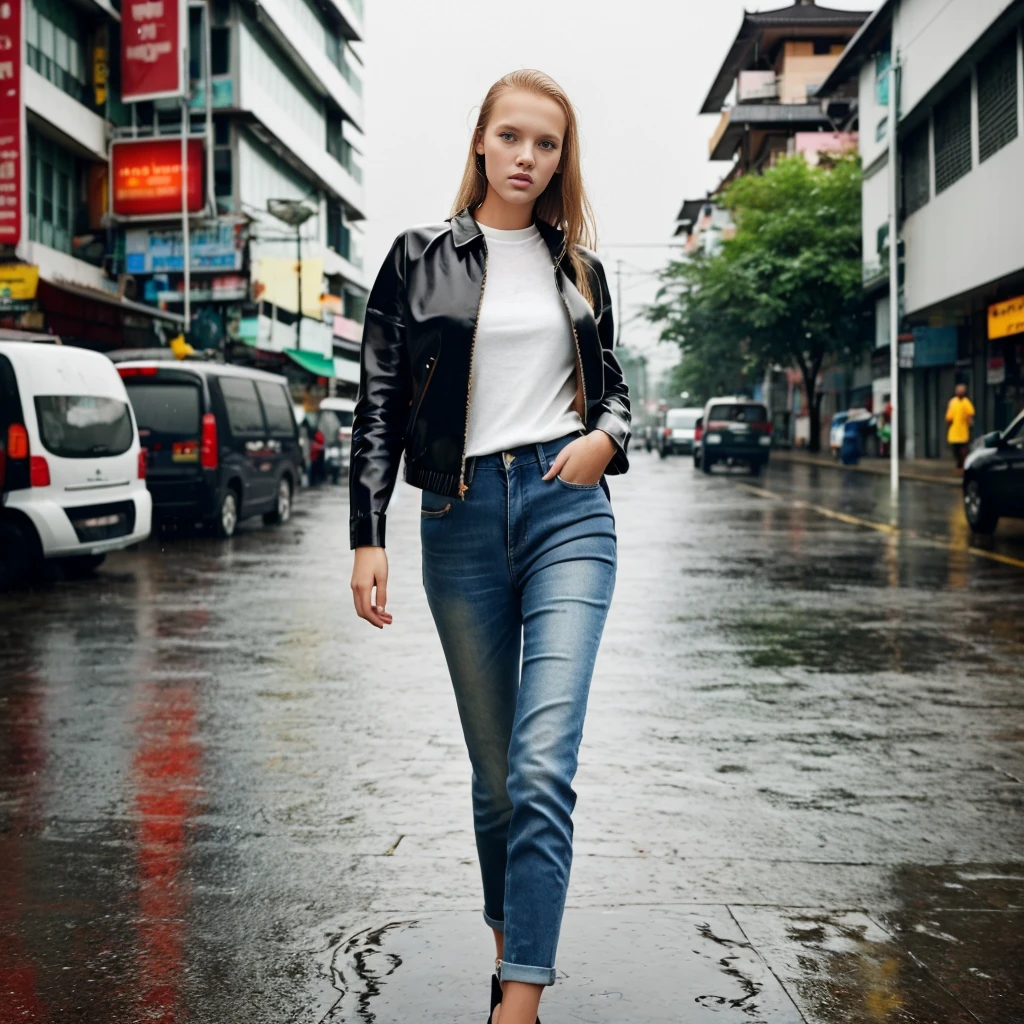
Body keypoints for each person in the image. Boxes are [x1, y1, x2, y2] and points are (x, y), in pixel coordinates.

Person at [348, 70, 631, 1024]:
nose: (527, 157)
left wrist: (606, 440)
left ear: (561, 158)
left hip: (567, 510)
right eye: (511, 137)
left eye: (546, 144)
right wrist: (367, 533)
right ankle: (513, 930)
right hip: (457, 518)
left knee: (544, 761)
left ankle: (520, 997)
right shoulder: (416, 257)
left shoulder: (581, 268)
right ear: (480, 141)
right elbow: (378, 402)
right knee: (499, 771)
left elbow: (616, 388)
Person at [945, 382, 975, 470]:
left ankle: (962, 466)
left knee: (963, 449)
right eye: (958, 391)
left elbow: (970, 415)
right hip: (954, 431)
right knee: (955, 450)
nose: (960, 393)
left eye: (962, 391)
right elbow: (948, 417)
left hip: (963, 431)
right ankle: (959, 465)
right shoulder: (953, 402)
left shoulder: (966, 402)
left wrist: (970, 424)